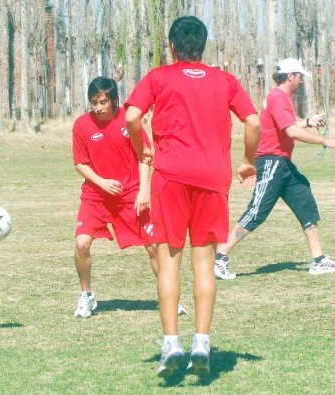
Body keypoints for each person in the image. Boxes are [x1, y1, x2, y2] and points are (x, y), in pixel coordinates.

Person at [125, 16, 260, 378]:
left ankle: (172, 344)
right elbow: (254, 122)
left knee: (169, 263)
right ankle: (201, 342)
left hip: (170, 177)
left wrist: (144, 148)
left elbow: (133, 116)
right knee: (205, 263)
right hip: (213, 178)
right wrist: (248, 160)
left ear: (172, 46)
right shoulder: (225, 81)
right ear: (203, 46)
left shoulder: (158, 77)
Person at [72, 76, 186, 319]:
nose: (99, 107)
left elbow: (144, 155)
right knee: (81, 244)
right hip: (95, 195)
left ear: (114, 100)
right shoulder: (81, 125)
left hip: (130, 194)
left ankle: (169, 298)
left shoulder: (128, 119)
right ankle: (86, 296)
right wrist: (102, 182)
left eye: (103, 102)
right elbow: (80, 163)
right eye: (94, 102)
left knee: (154, 247)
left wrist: (144, 190)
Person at [214, 58, 335, 280]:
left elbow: (287, 124)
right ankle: (220, 256)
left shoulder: (279, 97)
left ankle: (318, 260)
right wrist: (326, 141)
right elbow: (291, 132)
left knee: (305, 199)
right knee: (257, 211)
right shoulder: (279, 98)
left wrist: (308, 122)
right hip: (271, 162)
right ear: (290, 76)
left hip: (283, 164)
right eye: (299, 77)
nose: (300, 81)